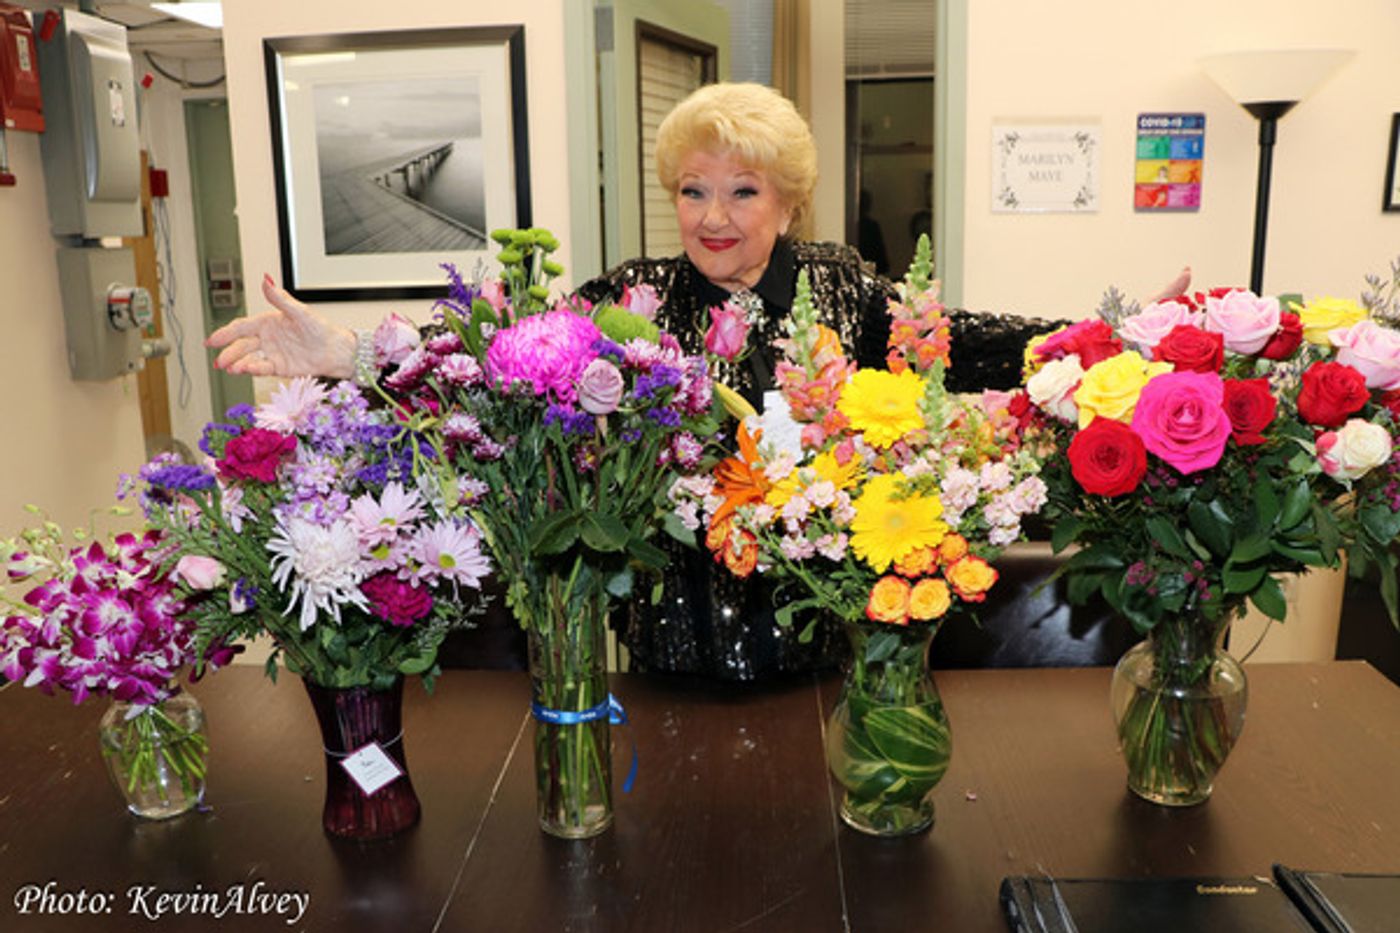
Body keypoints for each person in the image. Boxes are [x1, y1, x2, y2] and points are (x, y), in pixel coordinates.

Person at [209, 82, 1189, 681]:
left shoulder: (842, 288)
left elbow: (969, 341)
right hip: (665, 649)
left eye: (742, 190)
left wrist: (1109, 342)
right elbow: (497, 355)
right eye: (692, 189)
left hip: (822, 637)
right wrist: (351, 354)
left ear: (787, 197)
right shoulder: (629, 299)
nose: (713, 216)